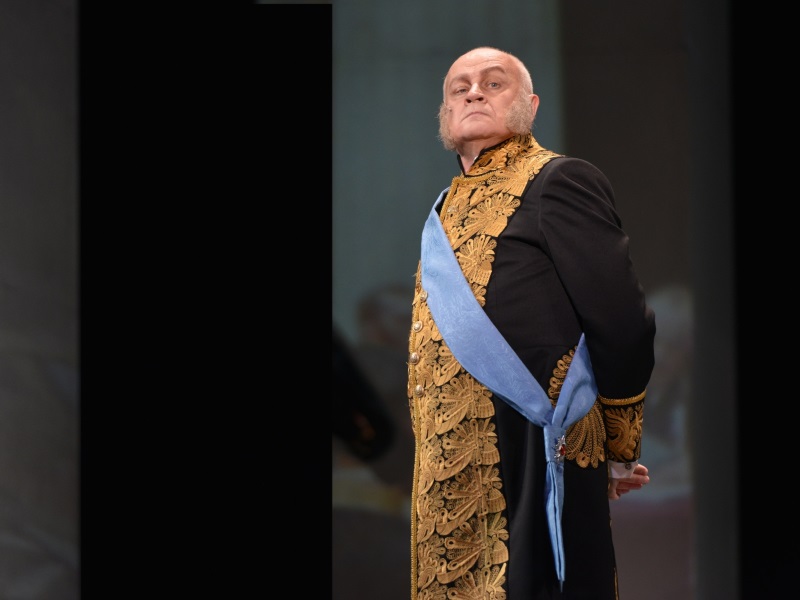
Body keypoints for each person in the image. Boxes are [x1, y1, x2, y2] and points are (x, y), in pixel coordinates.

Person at [405, 47, 656, 600]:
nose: (473, 92)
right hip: (447, 466)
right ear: (445, 114)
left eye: (493, 83)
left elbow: (622, 320)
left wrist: (618, 448)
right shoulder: (446, 206)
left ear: (531, 105)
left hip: (533, 447)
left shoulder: (560, 180)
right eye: (459, 88)